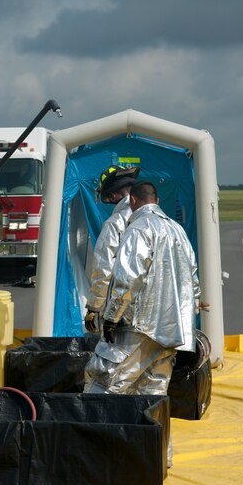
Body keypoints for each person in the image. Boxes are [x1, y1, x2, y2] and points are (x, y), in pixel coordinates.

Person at [84, 181, 201, 467]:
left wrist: (110, 317)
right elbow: (193, 282)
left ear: (133, 201)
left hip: (138, 327)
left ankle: (94, 462)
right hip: (170, 333)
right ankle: (158, 460)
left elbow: (126, 278)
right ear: (156, 200)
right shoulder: (177, 230)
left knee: (104, 386)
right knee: (153, 396)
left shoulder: (137, 229)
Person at [83, 164, 141, 334]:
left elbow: (104, 268)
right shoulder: (159, 221)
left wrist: (94, 307)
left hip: (124, 310)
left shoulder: (115, 223)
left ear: (112, 194)